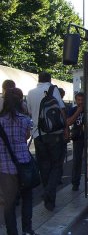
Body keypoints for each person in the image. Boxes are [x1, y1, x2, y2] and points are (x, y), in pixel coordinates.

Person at [0, 88, 38, 235]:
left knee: (9, 204)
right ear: (20, 102)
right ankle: (27, 230)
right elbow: (26, 137)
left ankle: (12, 232)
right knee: (27, 198)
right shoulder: (24, 120)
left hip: (5, 168)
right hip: (24, 165)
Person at [27, 72, 67, 211]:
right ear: (49, 80)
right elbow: (61, 109)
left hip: (38, 135)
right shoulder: (53, 89)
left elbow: (30, 112)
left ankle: (48, 201)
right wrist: (66, 128)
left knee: (44, 166)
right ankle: (49, 193)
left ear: (38, 79)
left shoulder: (30, 93)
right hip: (55, 133)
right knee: (56, 165)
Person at [67, 92, 84, 191]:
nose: (81, 102)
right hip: (77, 138)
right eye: (79, 100)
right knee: (77, 160)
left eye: (82, 100)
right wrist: (78, 112)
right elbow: (68, 122)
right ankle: (75, 182)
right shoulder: (73, 110)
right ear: (76, 101)